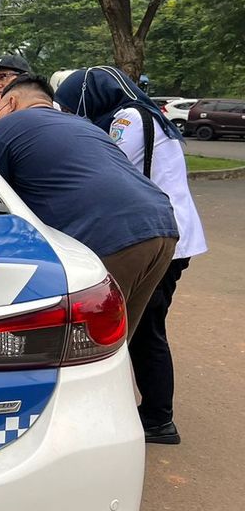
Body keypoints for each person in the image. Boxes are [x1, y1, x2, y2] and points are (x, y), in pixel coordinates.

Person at [56, 67, 207, 445]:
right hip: (172, 232)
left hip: (153, 232)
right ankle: (154, 412)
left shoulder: (126, 119)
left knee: (146, 331)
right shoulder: (146, 112)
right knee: (146, 327)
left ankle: (158, 418)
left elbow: (104, 165)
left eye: (76, 104)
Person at [0, 74, 179, 340]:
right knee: (115, 343)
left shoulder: (5, 127)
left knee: (82, 346)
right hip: (161, 227)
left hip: (110, 234)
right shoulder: (86, 125)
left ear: (11, 102)